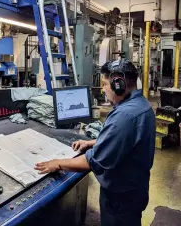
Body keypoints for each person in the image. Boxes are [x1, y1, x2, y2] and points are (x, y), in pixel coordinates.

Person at [35, 59, 156, 226]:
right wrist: (93, 142)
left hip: (120, 199)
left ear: (118, 84)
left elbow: (94, 161)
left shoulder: (124, 116)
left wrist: (58, 164)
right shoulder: (141, 105)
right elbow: (127, 139)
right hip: (135, 190)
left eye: (105, 84)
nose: (104, 89)